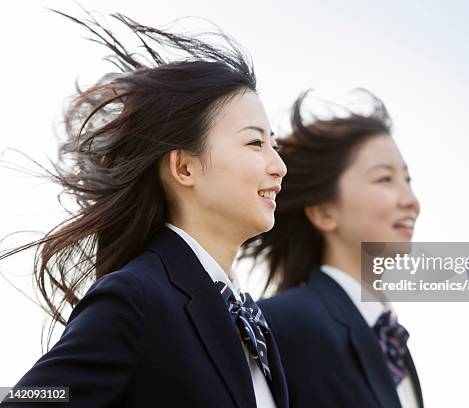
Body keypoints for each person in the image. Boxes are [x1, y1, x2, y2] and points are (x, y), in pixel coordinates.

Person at [0, 10, 288, 408]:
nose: (279, 165)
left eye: (273, 144)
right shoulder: (136, 297)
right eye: (255, 143)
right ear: (184, 167)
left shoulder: (249, 317)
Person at [242, 90, 424, 407]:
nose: (411, 201)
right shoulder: (283, 325)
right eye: (385, 179)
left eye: (407, 180)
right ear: (324, 212)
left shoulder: (394, 343)